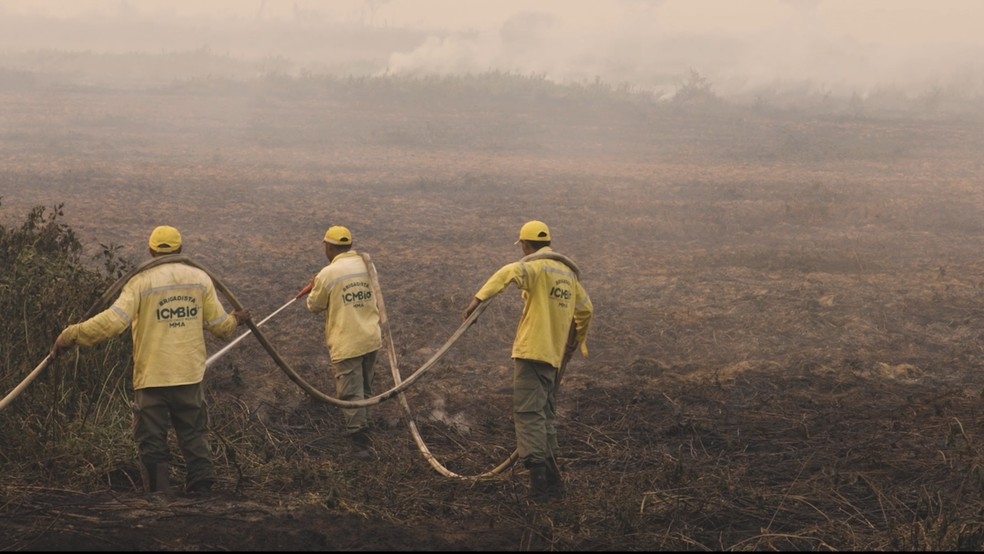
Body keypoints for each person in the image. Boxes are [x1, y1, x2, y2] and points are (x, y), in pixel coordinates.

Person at [50, 225, 251, 496]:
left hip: (152, 377)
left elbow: (112, 322)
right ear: (180, 250)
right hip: (189, 375)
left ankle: (159, 496)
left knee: (151, 439)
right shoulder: (200, 279)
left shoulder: (140, 282)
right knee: (193, 434)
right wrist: (237, 319)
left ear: (151, 250)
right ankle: (202, 492)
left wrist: (73, 334)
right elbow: (220, 326)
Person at [462, 220, 593, 502]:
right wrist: (575, 342)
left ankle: (539, 488)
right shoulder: (567, 274)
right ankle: (555, 482)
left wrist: (477, 300)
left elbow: (509, 272)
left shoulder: (535, 267)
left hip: (532, 352)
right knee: (545, 414)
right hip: (553, 357)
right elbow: (586, 309)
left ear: (525, 244)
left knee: (528, 415)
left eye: (521, 245)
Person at [305, 225, 382, 460]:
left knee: (351, 394)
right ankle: (367, 435)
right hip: (370, 338)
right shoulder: (366, 264)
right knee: (366, 390)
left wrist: (316, 284)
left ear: (329, 247)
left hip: (348, 341)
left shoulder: (328, 273)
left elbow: (314, 306)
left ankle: (359, 447)